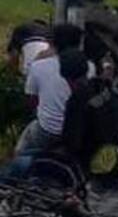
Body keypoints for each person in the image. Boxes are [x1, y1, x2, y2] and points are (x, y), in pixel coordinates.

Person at [15, 24, 86, 156]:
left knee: (20, 153)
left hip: (46, 130)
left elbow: (32, 100)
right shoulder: (89, 67)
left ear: (52, 43)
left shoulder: (38, 66)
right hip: (78, 132)